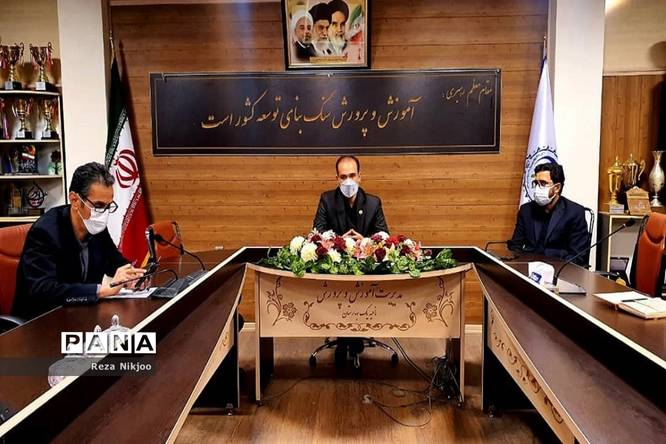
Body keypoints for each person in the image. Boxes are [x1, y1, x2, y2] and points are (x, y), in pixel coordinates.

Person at [13, 162, 146, 320]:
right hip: (42, 321)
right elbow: (43, 289)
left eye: (108, 206)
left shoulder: (96, 227)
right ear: (75, 200)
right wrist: (100, 290)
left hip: (82, 315)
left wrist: (133, 276)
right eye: (98, 205)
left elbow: (115, 262)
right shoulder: (45, 232)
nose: (103, 213)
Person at [312, 155, 389, 366]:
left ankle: (349, 338)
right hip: (335, 268)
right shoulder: (327, 200)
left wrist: (364, 241)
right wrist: (339, 241)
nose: (348, 181)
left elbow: (383, 235)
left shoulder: (373, 202)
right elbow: (317, 233)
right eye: (343, 176)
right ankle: (347, 338)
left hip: (365, 270)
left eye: (352, 175)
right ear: (337, 178)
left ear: (360, 177)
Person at [508, 162, 589, 265]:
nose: (537, 188)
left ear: (557, 188)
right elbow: (515, 246)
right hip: (529, 267)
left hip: (559, 269)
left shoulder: (574, 212)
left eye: (543, 183)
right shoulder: (526, 210)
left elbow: (577, 256)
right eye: (536, 183)